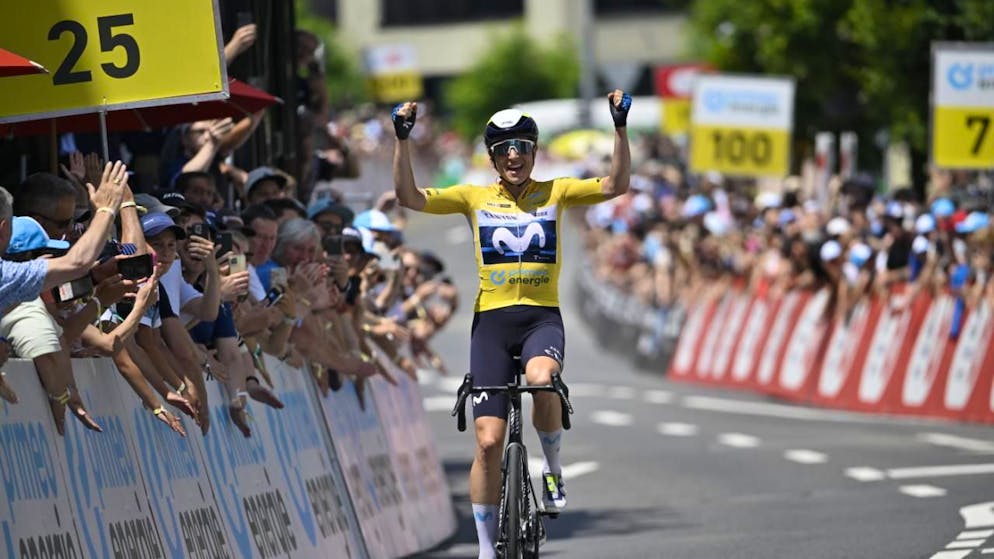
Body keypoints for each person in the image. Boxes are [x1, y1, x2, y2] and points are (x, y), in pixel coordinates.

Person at [391, 90, 632, 558]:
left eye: (522, 146)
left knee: (543, 380)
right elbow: (408, 196)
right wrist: (403, 140)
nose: (514, 156)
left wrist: (619, 129)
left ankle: (553, 465)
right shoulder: (473, 197)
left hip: (541, 318)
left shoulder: (557, 190)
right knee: (487, 442)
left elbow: (614, 185)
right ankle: (485, 548)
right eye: (504, 150)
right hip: (493, 326)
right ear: (492, 157)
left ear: (535, 151)